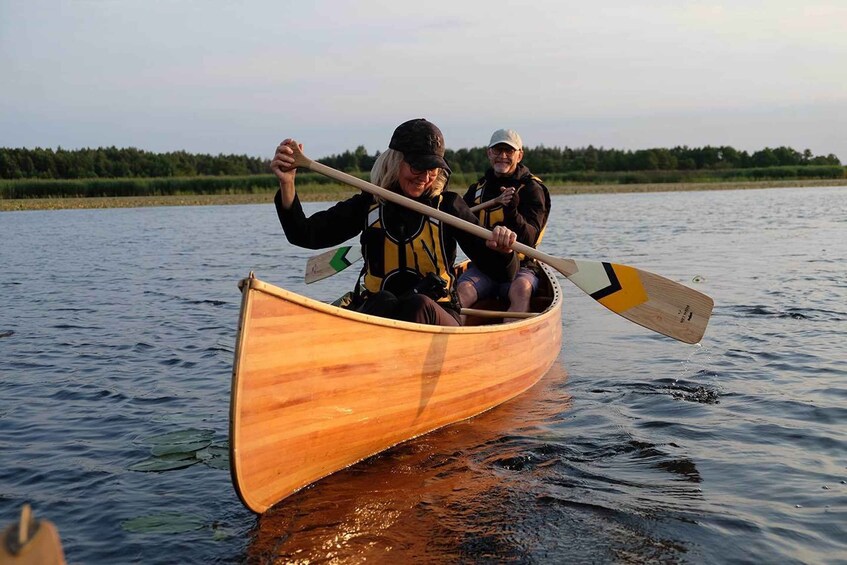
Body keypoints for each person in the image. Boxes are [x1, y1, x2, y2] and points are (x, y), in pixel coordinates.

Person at [270, 118, 519, 326]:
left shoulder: (449, 206)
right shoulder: (369, 204)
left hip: (438, 317)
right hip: (382, 316)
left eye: (433, 168)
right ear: (394, 162)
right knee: (382, 300)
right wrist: (287, 184)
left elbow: (503, 272)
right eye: (417, 167)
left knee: (418, 304)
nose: (425, 177)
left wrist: (504, 250)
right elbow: (305, 234)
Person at [457, 128, 551, 316]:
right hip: (485, 266)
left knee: (521, 291)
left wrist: (512, 211)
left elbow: (529, 239)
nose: (503, 156)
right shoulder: (477, 190)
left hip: (522, 268)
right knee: (462, 291)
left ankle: (513, 332)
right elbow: (458, 225)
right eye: (498, 151)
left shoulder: (532, 189)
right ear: (489, 153)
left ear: (520, 155)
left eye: (509, 151)